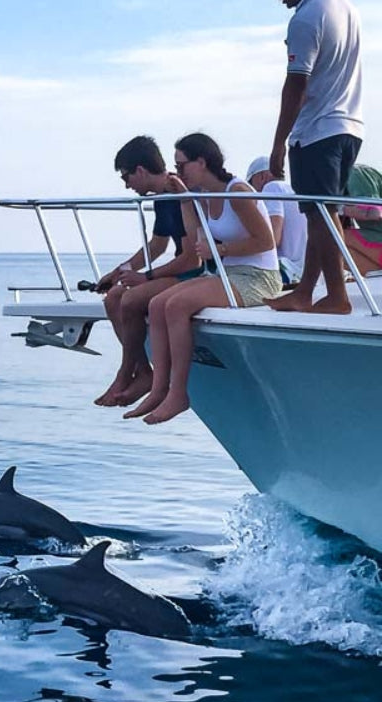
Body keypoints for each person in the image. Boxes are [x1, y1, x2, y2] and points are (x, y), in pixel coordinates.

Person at [125, 134, 282, 425]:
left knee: (176, 306)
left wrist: (221, 249)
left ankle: (178, 393)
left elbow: (265, 241)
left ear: (201, 161)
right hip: (228, 273)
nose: (178, 170)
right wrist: (185, 198)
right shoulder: (205, 196)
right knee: (159, 303)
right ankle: (159, 388)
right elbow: (197, 238)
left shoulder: (237, 191)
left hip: (259, 278)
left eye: (181, 165)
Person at [266, 0, 364, 314]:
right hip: (349, 125)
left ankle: (337, 295)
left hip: (316, 130)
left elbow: (297, 83)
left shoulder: (306, 18)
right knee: (318, 213)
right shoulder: (345, 8)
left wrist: (279, 142)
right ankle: (304, 291)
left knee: (321, 213)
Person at [93, 136, 201, 407]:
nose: (127, 184)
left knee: (129, 299)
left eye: (126, 177)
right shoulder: (163, 197)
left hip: (197, 272)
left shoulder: (179, 193)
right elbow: (156, 245)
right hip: (181, 267)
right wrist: (120, 272)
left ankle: (124, 373)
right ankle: (142, 371)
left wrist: (145, 277)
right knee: (113, 298)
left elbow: (191, 259)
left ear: (140, 170)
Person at [246, 155, 308, 284]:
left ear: (262, 176)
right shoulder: (294, 191)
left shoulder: (271, 188)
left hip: (287, 270)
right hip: (305, 271)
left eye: (250, 185)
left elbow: (273, 239)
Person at [342, 163, 382, 276]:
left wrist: (338, 208)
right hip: (376, 237)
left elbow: (374, 213)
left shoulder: (354, 174)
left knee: (330, 239)